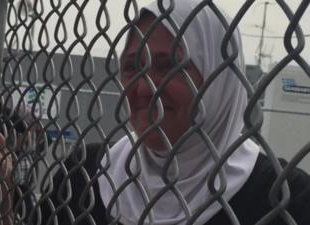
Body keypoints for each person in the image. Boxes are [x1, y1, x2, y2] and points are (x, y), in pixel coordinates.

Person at [41, 0, 310, 225]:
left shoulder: (285, 198)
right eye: (132, 67)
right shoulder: (84, 173)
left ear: (219, 77)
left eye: (168, 65)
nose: (144, 89)